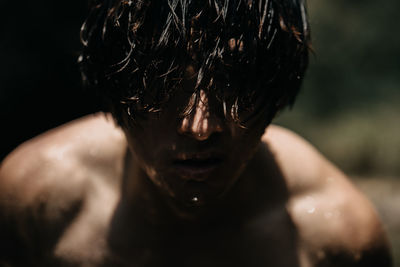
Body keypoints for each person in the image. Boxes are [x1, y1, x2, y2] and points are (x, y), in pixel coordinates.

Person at [0, 0, 392, 266]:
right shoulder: (34, 197)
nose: (201, 128)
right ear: (113, 86)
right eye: (163, 85)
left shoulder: (338, 236)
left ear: (277, 90)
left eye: (234, 83)